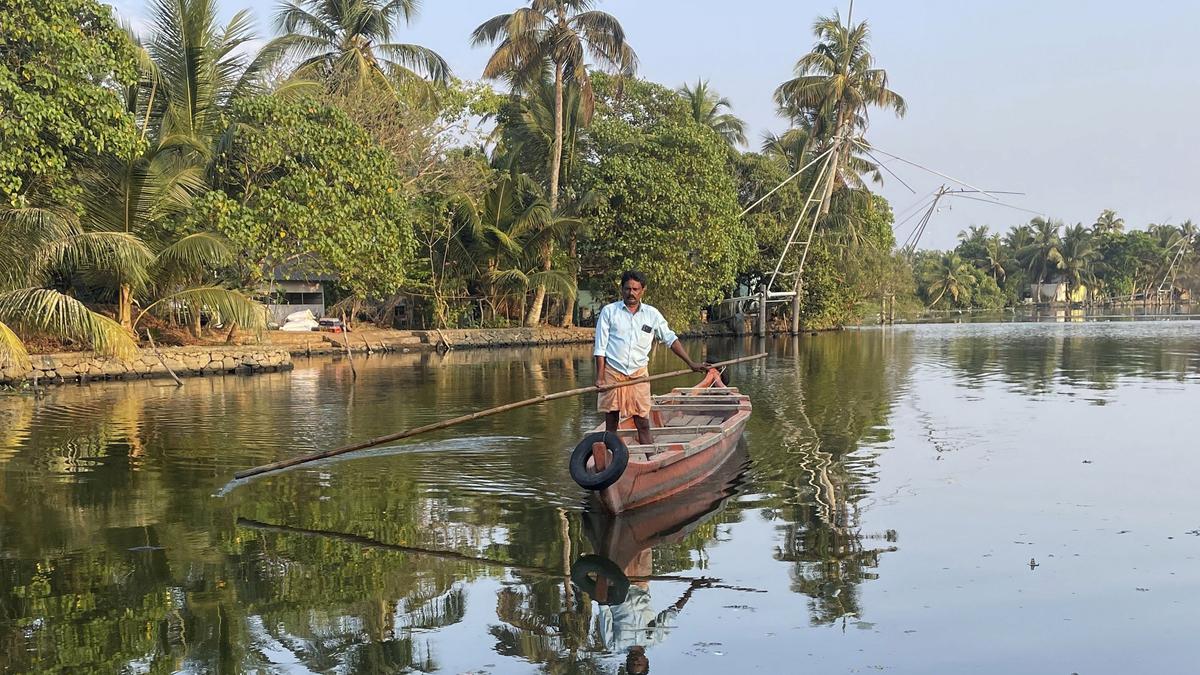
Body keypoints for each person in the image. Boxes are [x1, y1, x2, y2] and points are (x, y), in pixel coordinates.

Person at [593, 270, 713, 445]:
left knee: (642, 422)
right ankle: (609, 461)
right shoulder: (609, 312)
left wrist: (691, 363)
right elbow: (600, 347)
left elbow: (670, 339)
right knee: (611, 422)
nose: (631, 293)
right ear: (622, 289)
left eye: (635, 289)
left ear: (643, 290)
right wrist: (600, 377)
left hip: (639, 373)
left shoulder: (652, 314)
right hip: (613, 372)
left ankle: (651, 459)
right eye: (627, 289)